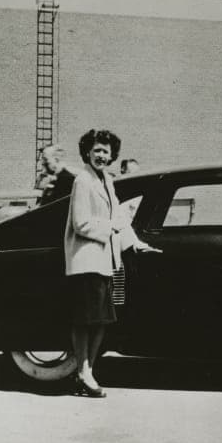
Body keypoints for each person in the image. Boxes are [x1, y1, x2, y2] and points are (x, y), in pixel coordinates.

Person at [65, 129, 158, 397]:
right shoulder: (83, 180)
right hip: (85, 259)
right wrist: (112, 227)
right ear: (87, 152)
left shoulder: (106, 179)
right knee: (85, 320)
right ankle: (84, 372)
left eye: (106, 151)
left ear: (112, 155)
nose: (101, 156)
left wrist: (135, 243)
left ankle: (87, 371)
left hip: (104, 260)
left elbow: (120, 218)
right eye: (97, 151)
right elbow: (80, 223)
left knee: (102, 320)